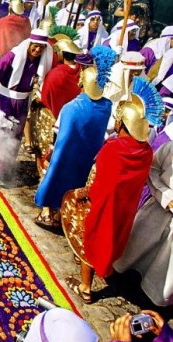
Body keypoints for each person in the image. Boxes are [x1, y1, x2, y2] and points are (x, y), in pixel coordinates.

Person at [65, 77, 159, 304]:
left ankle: (85, 288)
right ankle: (100, 267)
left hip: (103, 204)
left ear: (121, 124)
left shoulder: (114, 149)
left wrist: (85, 193)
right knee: (110, 241)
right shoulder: (145, 152)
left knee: (92, 239)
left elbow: (102, 182)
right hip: (125, 208)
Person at [34, 55, 113, 229]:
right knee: (74, 184)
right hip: (86, 157)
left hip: (65, 155)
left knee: (54, 180)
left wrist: (50, 154)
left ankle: (48, 214)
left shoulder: (71, 107)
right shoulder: (107, 106)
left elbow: (58, 134)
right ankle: (63, 215)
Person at [114, 140, 173, 307]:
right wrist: (166, 197)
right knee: (132, 251)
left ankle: (149, 303)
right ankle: (118, 282)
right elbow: (152, 169)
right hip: (156, 210)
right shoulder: (170, 148)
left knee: (163, 271)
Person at [0, 29, 53, 137]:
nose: (38, 49)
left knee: (14, 133)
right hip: (5, 99)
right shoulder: (13, 56)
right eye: (35, 45)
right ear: (29, 44)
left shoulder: (40, 61)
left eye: (41, 47)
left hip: (22, 103)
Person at [39, 39, 82, 118]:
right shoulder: (83, 72)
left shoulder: (55, 74)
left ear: (61, 54)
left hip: (53, 118)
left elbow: (44, 98)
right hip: (74, 116)